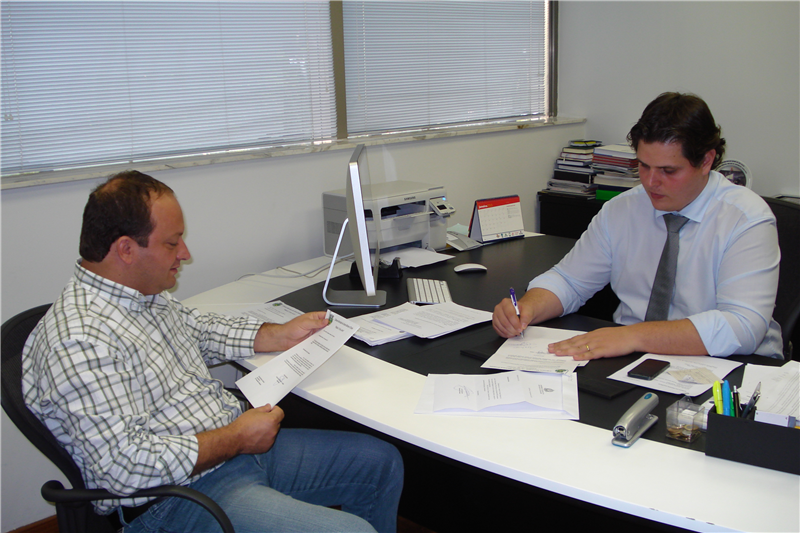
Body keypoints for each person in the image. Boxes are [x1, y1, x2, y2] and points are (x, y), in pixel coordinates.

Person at [23, 170, 404, 533]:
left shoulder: (141, 297)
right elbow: (124, 469)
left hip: (232, 451)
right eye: (172, 243)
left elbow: (198, 330)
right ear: (126, 249)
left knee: (380, 463)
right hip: (177, 498)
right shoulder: (78, 340)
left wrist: (277, 335)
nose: (184, 254)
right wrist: (237, 437)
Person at [493, 92, 783, 361]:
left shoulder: (746, 219)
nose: (650, 182)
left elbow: (742, 327)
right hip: (635, 359)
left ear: (706, 160)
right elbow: (570, 281)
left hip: (731, 366)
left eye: (668, 171)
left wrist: (632, 335)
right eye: (644, 166)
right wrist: (526, 309)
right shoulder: (623, 209)